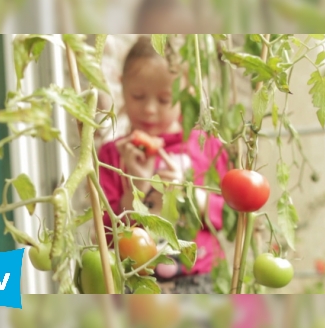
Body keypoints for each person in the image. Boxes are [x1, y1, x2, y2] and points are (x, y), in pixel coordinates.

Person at [97, 35, 228, 294]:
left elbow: (225, 215)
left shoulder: (205, 146)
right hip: (135, 281)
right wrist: (138, 191)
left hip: (199, 279)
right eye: (137, 96)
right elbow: (105, 235)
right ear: (122, 88)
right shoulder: (112, 155)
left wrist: (188, 193)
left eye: (164, 99)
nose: (149, 109)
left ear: (186, 93)